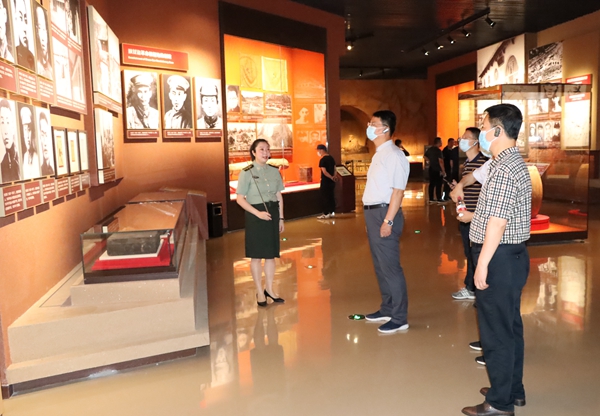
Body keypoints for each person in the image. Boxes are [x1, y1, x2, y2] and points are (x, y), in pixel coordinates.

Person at [461, 103, 531, 416]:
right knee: (510, 326)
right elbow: (498, 214)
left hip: (499, 258)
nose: (482, 132)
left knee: (496, 333)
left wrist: (482, 265)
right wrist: (473, 218)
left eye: (485, 126)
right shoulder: (513, 162)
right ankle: (512, 390)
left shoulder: (502, 169)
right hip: (511, 256)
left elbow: (498, 223)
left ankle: (500, 403)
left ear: (498, 130)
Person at [362, 110, 410, 334]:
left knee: (390, 268)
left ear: (385, 128)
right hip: (374, 214)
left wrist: (388, 221)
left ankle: (399, 317)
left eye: (373, 124)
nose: (369, 127)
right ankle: (388, 308)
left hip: (385, 213)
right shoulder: (379, 154)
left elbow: (398, 192)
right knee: (380, 266)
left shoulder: (394, 155)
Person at [236, 139, 285, 307]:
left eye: (267, 149)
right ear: (253, 152)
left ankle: (269, 289)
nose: (265, 152)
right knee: (256, 256)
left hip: (272, 213)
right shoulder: (246, 172)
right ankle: (259, 292)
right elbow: (240, 199)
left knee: (271, 255)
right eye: (261, 149)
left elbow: (278, 196)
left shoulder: (274, 171)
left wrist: (281, 218)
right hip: (255, 214)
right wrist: (257, 213)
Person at [448, 127, 488, 301]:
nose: (461, 140)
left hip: (476, 217)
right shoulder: (466, 164)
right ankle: (472, 286)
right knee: (469, 252)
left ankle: (472, 288)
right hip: (465, 215)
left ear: (475, 142)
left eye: (465, 137)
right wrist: (458, 189)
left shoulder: (484, 163)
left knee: (476, 253)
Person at [0, 99, 20, 182]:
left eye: (8, 122)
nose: (5, 131)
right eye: (2, 123)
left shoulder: (19, 158)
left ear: (13, 125)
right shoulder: (2, 162)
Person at [316, 144, 337, 219]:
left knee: (325, 197)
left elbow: (324, 172)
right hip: (332, 182)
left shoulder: (322, 160)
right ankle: (331, 211)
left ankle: (326, 213)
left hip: (325, 181)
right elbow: (335, 169)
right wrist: (334, 177)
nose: (318, 152)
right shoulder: (331, 158)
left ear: (321, 150)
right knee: (331, 196)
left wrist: (330, 177)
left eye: (318, 151)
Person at [13, 0, 35, 71]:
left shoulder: (32, 58)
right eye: (20, 18)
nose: (25, 29)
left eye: (25, 20)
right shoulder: (13, 55)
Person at [19, 105, 40, 179]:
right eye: (25, 130)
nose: (27, 135)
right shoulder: (24, 157)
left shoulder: (37, 157)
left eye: (29, 130)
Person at [424, 137, 446, 203]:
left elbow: (424, 156)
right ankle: (439, 198)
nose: (441, 143)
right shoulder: (438, 151)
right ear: (438, 142)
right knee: (438, 184)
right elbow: (440, 161)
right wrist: (443, 171)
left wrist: (430, 161)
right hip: (438, 169)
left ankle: (431, 198)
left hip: (431, 168)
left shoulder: (430, 149)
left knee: (432, 184)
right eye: (441, 142)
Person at [34, 4, 52, 79]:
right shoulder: (36, 67)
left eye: (44, 30)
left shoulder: (51, 70)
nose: (43, 39)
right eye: (40, 29)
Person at [38, 110, 54, 175]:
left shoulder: (53, 169)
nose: (45, 143)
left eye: (46, 135)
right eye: (42, 135)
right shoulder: (40, 171)